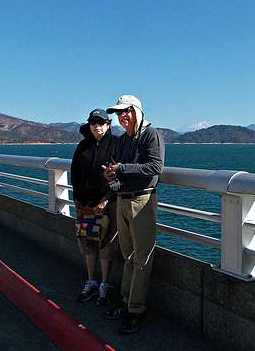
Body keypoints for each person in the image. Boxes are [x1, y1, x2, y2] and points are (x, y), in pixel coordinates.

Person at [102, 95, 165, 334]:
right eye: (119, 113)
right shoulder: (122, 140)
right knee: (127, 255)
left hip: (143, 201)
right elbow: (118, 167)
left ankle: (136, 311)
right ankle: (127, 302)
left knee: (142, 259)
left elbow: (155, 167)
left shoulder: (151, 134)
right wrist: (110, 174)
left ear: (137, 111)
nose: (122, 116)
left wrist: (122, 169)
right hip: (123, 201)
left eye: (126, 111)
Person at [71, 109, 121, 306]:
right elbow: (74, 174)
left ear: (108, 124)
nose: (97, 126)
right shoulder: (83, 146)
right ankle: (91, 282)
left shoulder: (116, 144)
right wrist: (76, 201)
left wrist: (106, 198)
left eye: (101, 122)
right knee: (87, 241)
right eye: (93, 122)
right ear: (89, 125)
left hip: (108, 203)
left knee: (106, 243)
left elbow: (119, 174)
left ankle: (105, 285)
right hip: (85, 203)